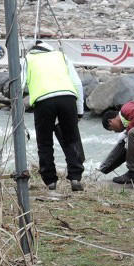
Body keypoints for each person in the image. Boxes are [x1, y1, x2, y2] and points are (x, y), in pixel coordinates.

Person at [22, 40, 86, 191]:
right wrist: (80, 110)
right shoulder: (61, 56)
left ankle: (50, 181)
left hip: (43, 101)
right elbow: (77, 83)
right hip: (68, 98)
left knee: (44, 143)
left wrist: (17, 109)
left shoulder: (27, 59)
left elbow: (20, 82)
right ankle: (75, 178)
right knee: (72, 139)